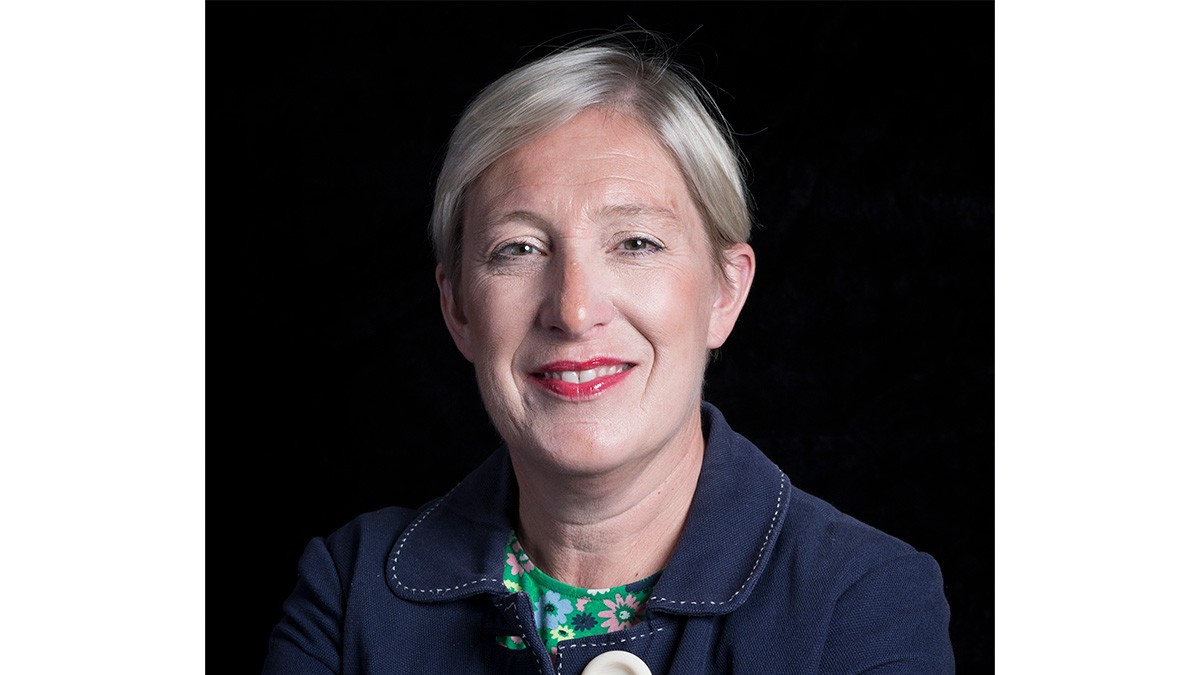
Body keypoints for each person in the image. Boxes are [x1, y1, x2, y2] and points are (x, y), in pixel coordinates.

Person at [262, 30, 954, 674]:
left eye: (635, 243)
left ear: (724, 291)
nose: (573, 309)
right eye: (519, 249)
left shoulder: (865, 604)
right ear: (459, 309)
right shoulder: (349, 591)